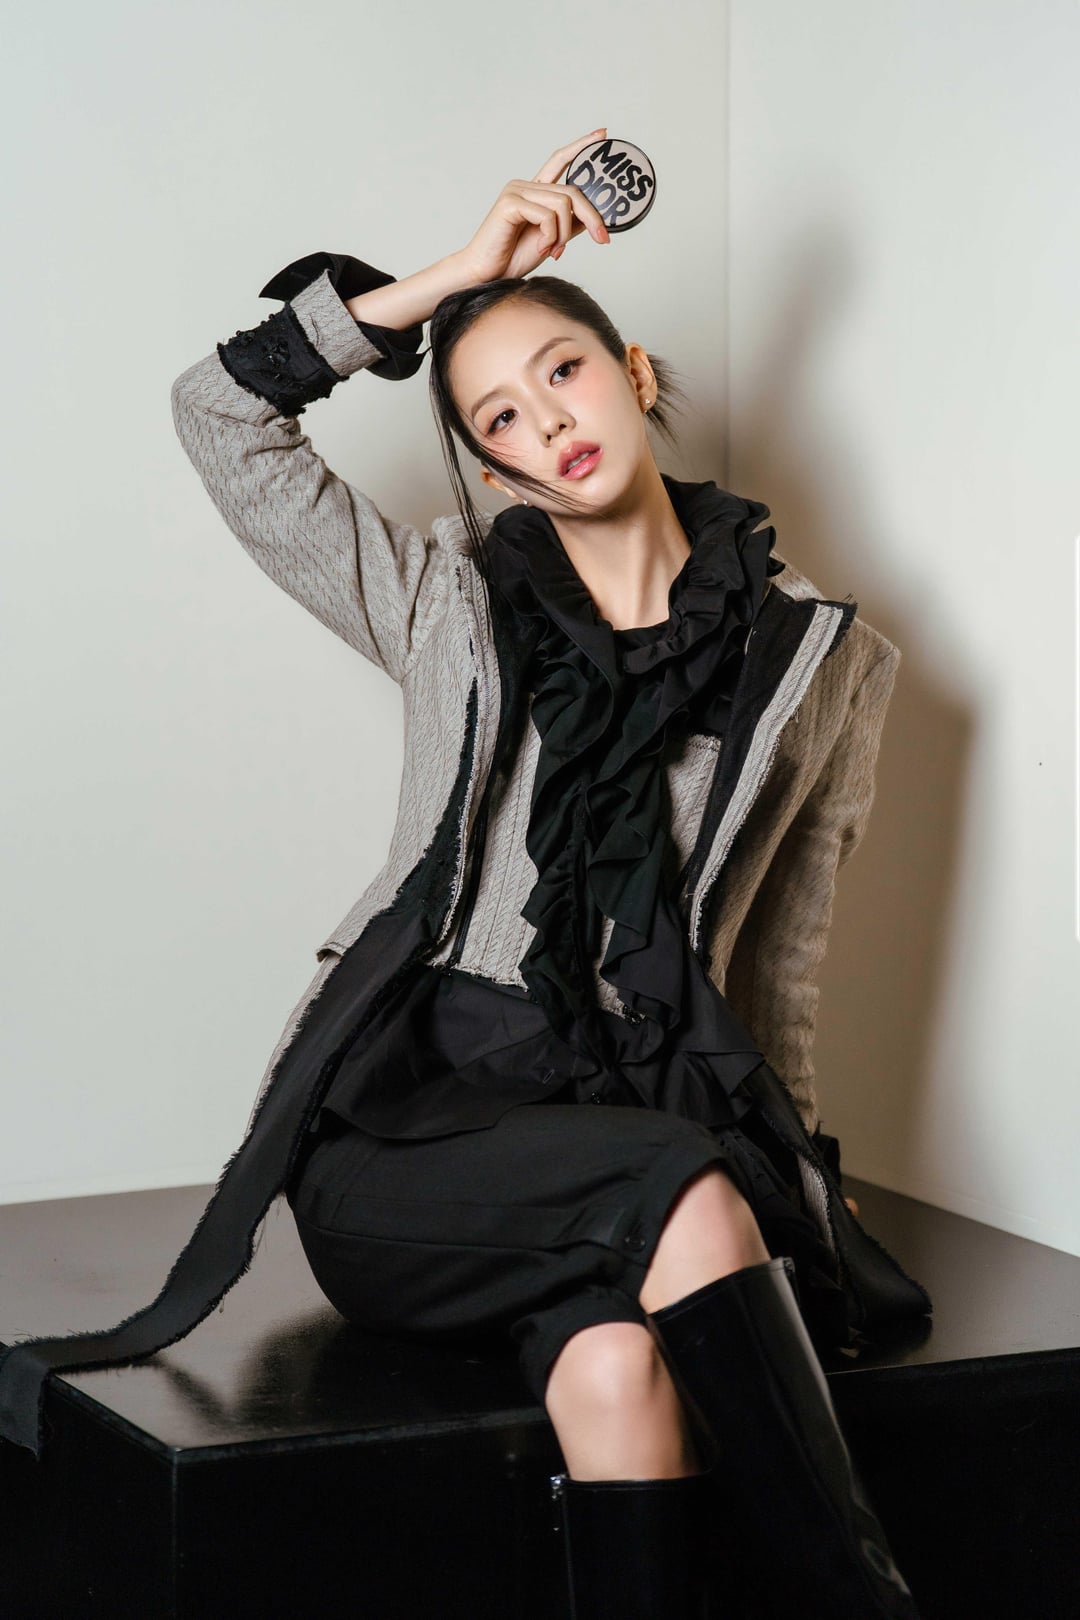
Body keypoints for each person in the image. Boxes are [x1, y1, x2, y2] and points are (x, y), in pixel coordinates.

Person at [0, 128, 931, 1618]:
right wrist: (458, 276)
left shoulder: (820, 662)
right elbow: (217, 415)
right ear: (490, 463)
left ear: (630, 372)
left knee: (619, 1373)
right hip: (411, 1135)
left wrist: (801, 1188)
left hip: (627, 1123)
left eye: (563, 371)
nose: (546, 421)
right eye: (500, 415)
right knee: (685, 1189)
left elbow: (782, 965)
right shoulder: (443, 597)